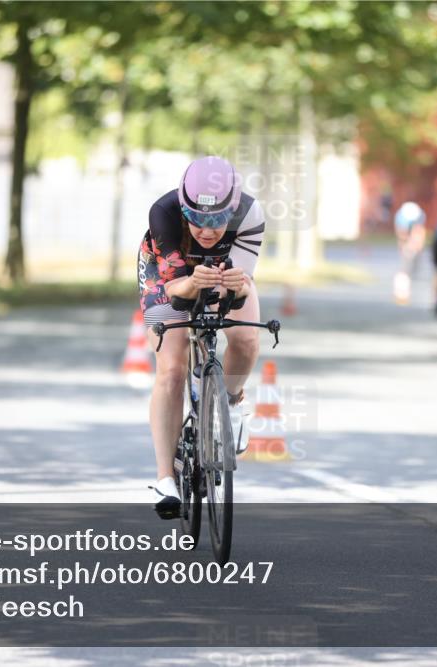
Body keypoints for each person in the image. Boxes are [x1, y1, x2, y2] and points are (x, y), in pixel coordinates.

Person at [137, 156, 266, 517]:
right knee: (172, 368)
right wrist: (195, 282)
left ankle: (232, 403)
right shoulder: (163, 212)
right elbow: (176, 291)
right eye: (196, 219)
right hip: (170, 275)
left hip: (227, 274)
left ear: (233, 208)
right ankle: (165, 479)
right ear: (183, 205)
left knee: (245, 339)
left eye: (216, 221)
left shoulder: (250, 214)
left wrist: (224, 289)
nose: (206, 231)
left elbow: (239, 289)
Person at [394, 201, 426, 278]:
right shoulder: (400, 217)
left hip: (414, 233)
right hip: (405, 234)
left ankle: (415, 266)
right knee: (406, 253)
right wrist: (402, 243)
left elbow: (419, 231)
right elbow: (400, 232)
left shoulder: (419, 215)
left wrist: (418, 244)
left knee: (416, 248)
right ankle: (406, 269)